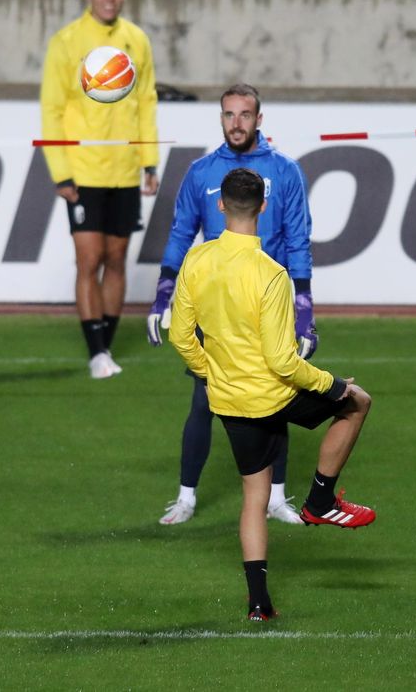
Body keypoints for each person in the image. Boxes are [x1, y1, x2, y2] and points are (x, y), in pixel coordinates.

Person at [168, 167, 374, 622]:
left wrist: (213, 372)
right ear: (264, 206)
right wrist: (335, 385)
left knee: (254, 497)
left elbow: (182, 337)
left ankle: (259, 603)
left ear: (220, 205)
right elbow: (282, 362)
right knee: (358, 403)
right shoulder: (271, 274)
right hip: (272, 395)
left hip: (228, 401)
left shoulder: (197, 261)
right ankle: (321, 499)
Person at [146, 84, 316, 526]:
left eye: (244, 114)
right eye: (228, 114)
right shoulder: (202, 173)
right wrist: (163, 295)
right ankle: (186, 496)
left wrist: (305, 315)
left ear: (259, 120)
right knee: (203, 402)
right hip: (217, 306)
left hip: (268, 304)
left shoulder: (287, 172)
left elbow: (298, 241)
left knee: (278, 398)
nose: (236, 122)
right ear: (220, 118)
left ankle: (276, 497)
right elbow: (183, 233)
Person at [40, 0, 159, 379]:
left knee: (117, 257)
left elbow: (146, 103)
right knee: (88, 259)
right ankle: (96, 352)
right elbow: (52, 110)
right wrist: (61, 171)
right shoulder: (67, 42)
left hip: (125, 171)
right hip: (83, 172)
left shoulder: (136, 41)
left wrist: (149, 161)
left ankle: (105, 348)